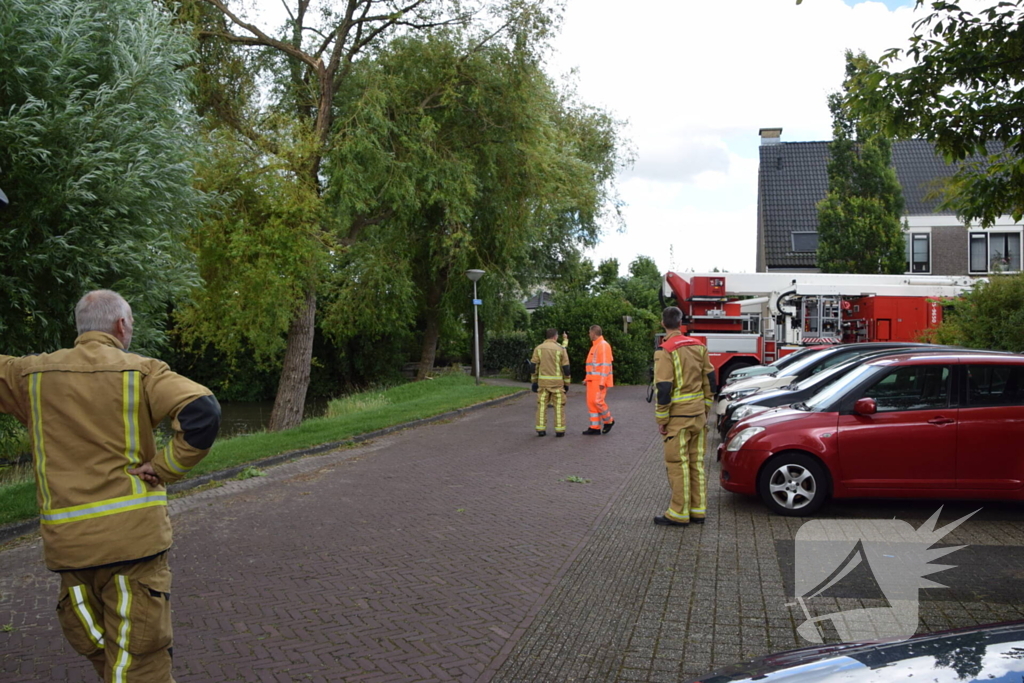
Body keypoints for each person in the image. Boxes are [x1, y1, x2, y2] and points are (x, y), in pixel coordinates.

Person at [0, 290, 221, 681]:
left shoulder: (27, 375)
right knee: (138, 660)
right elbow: (202, 412)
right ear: (121, 325)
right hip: (133, 544)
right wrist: (165, 466)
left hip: (70, 548)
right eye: (130, 323)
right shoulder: (143, 371)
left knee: (104, 645)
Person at [652, 306, 715, 526]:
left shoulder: (665, 350)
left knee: (677, 464)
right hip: (698, 416)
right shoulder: (699, 346)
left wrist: (662, 420)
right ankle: (698, 510)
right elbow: (711, 380)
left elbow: (664, 388)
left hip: (678, 419)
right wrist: (706, 408)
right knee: (696, 463)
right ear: (681, 323)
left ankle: (678, 513)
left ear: (663, 324)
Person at [530, 328, 571, 436]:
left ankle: (541, 429)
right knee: (558, 407)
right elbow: (566, 369)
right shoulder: (561, 349)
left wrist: (534, 381)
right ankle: (559, 430)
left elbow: (533, 367)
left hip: (543, 384)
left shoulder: (538, 348)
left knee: (542, 406)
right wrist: (566, 384)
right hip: (557, 384)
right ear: (555, 337)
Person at [583, 325, 614, 435]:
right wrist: (587, 379)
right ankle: (594, 427)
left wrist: (602, 382)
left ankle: (609, 420)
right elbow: (593, 366)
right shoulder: (595, 346)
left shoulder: (603, 345)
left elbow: (605, 365)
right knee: (591, 403)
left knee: (597, 402)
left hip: (598, 380)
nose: (589, 335)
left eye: (589, 332)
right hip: (593, 380)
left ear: (593, 333)